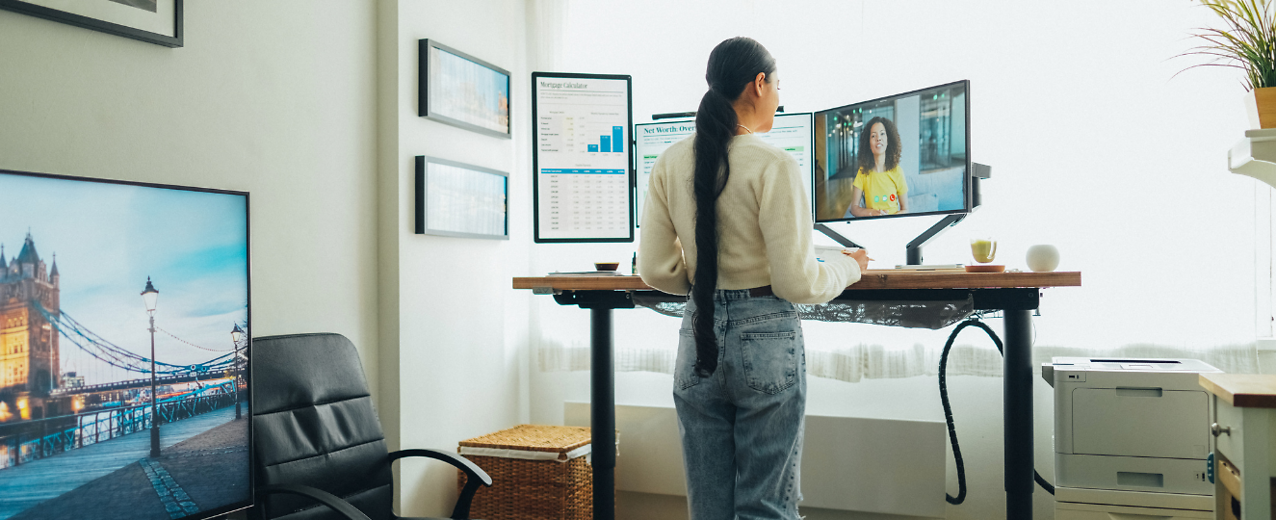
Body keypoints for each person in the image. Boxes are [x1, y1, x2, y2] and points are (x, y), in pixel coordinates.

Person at [638, 37, 869, 520]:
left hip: (696, 334)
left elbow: (657, 269)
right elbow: (798, 283)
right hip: (765, 336)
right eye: (778, 84)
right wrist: (851, 265)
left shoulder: (669, 162)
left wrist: (706, 285)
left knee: (709, 509)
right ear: (758, 84)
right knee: (766, 507)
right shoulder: (774, 163)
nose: (780, 95)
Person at [848, 117, 909, 217]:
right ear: (868, 144)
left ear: (888, 140)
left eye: (882, 134)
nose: (878, 138)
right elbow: (854, 208)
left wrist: (890, 219)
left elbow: (905, 209)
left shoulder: (897, 171)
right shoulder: (863, 172)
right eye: (873, 136)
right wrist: (872, 213)